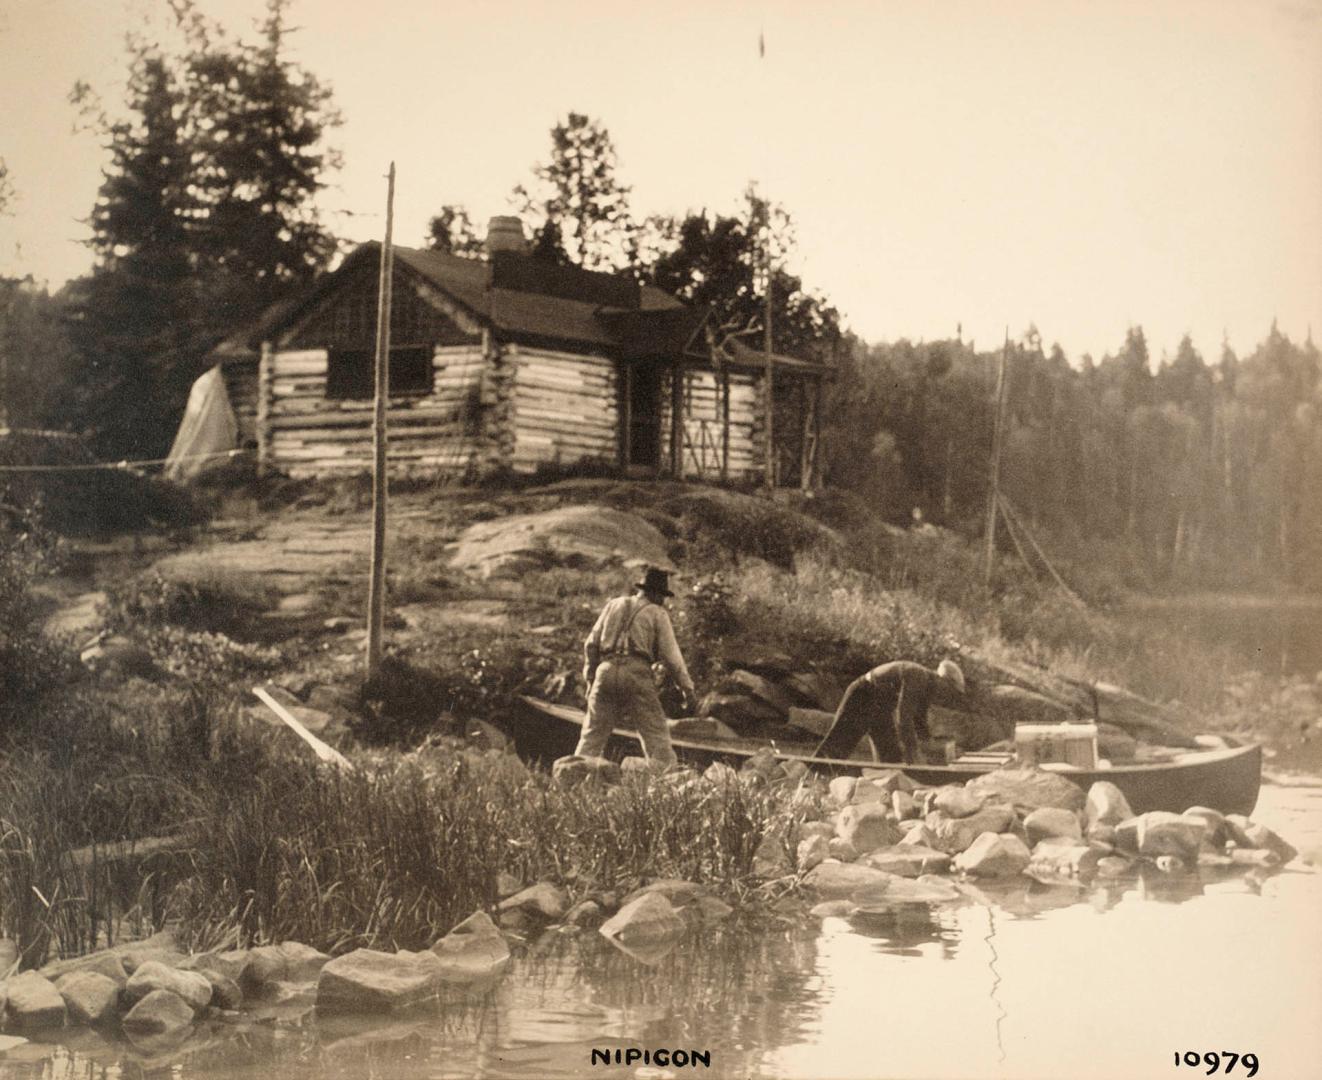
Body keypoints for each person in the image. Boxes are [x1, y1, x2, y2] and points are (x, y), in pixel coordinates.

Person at [576, 567, 696, 769]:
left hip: (604, 671)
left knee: (591, 735)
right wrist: (687, 688)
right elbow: (672, 657)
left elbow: (591, 644)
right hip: (636, 673)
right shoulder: (658, 613)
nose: (663, 601)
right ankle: (665, 781)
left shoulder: (613, 605)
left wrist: (590, 679)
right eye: (663, 596)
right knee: (656, 737)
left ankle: (571, 777)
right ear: (657, 594)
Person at [814, 659, 966, 764]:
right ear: (943, 680)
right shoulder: (918, 676)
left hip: (881, 706)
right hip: (862, 695)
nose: (947, 695)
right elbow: (903, 717)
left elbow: (920, 723)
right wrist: (913, 752)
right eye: (949, 690)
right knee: (837, 745)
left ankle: (884, 787)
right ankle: (801, 774)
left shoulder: (929, 688)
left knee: (891, 758)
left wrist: (932, 748)